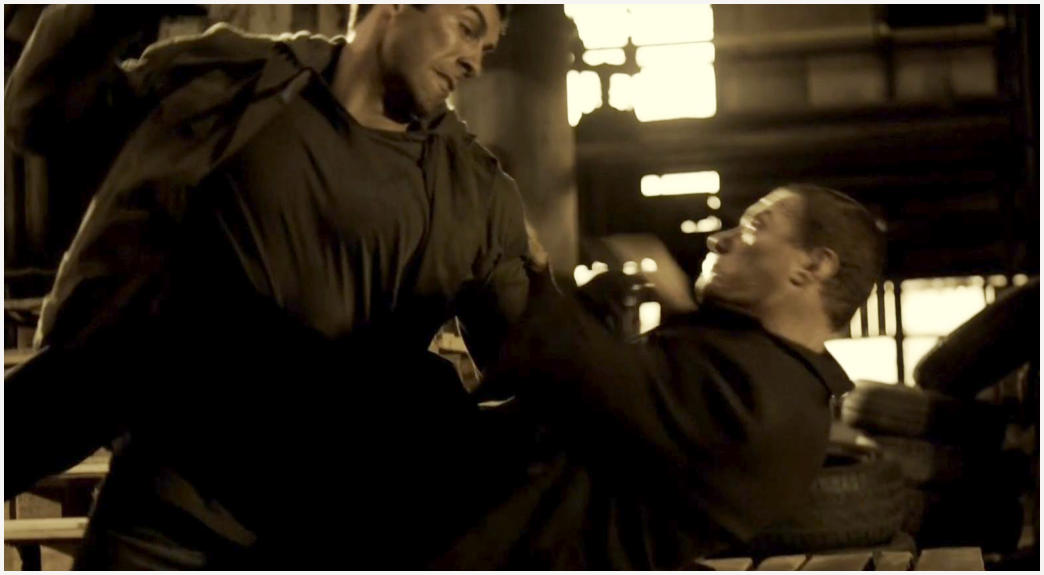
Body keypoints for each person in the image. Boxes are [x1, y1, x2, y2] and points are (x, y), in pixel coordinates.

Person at [4, 4, 542, 569]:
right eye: (467, 28)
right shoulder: (231, 85)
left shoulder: (475, 193)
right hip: (161, 523)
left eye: (486, 48)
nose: (474, 62)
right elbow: (41, 114)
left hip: (325, 538)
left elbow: (540, 359)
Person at [431, 184, 887, 569]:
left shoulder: (761, 403)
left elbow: (567, 360)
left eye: (754, 227)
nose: (719, 239)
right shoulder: (756, 364)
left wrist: (518, 255)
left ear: (812, 266)